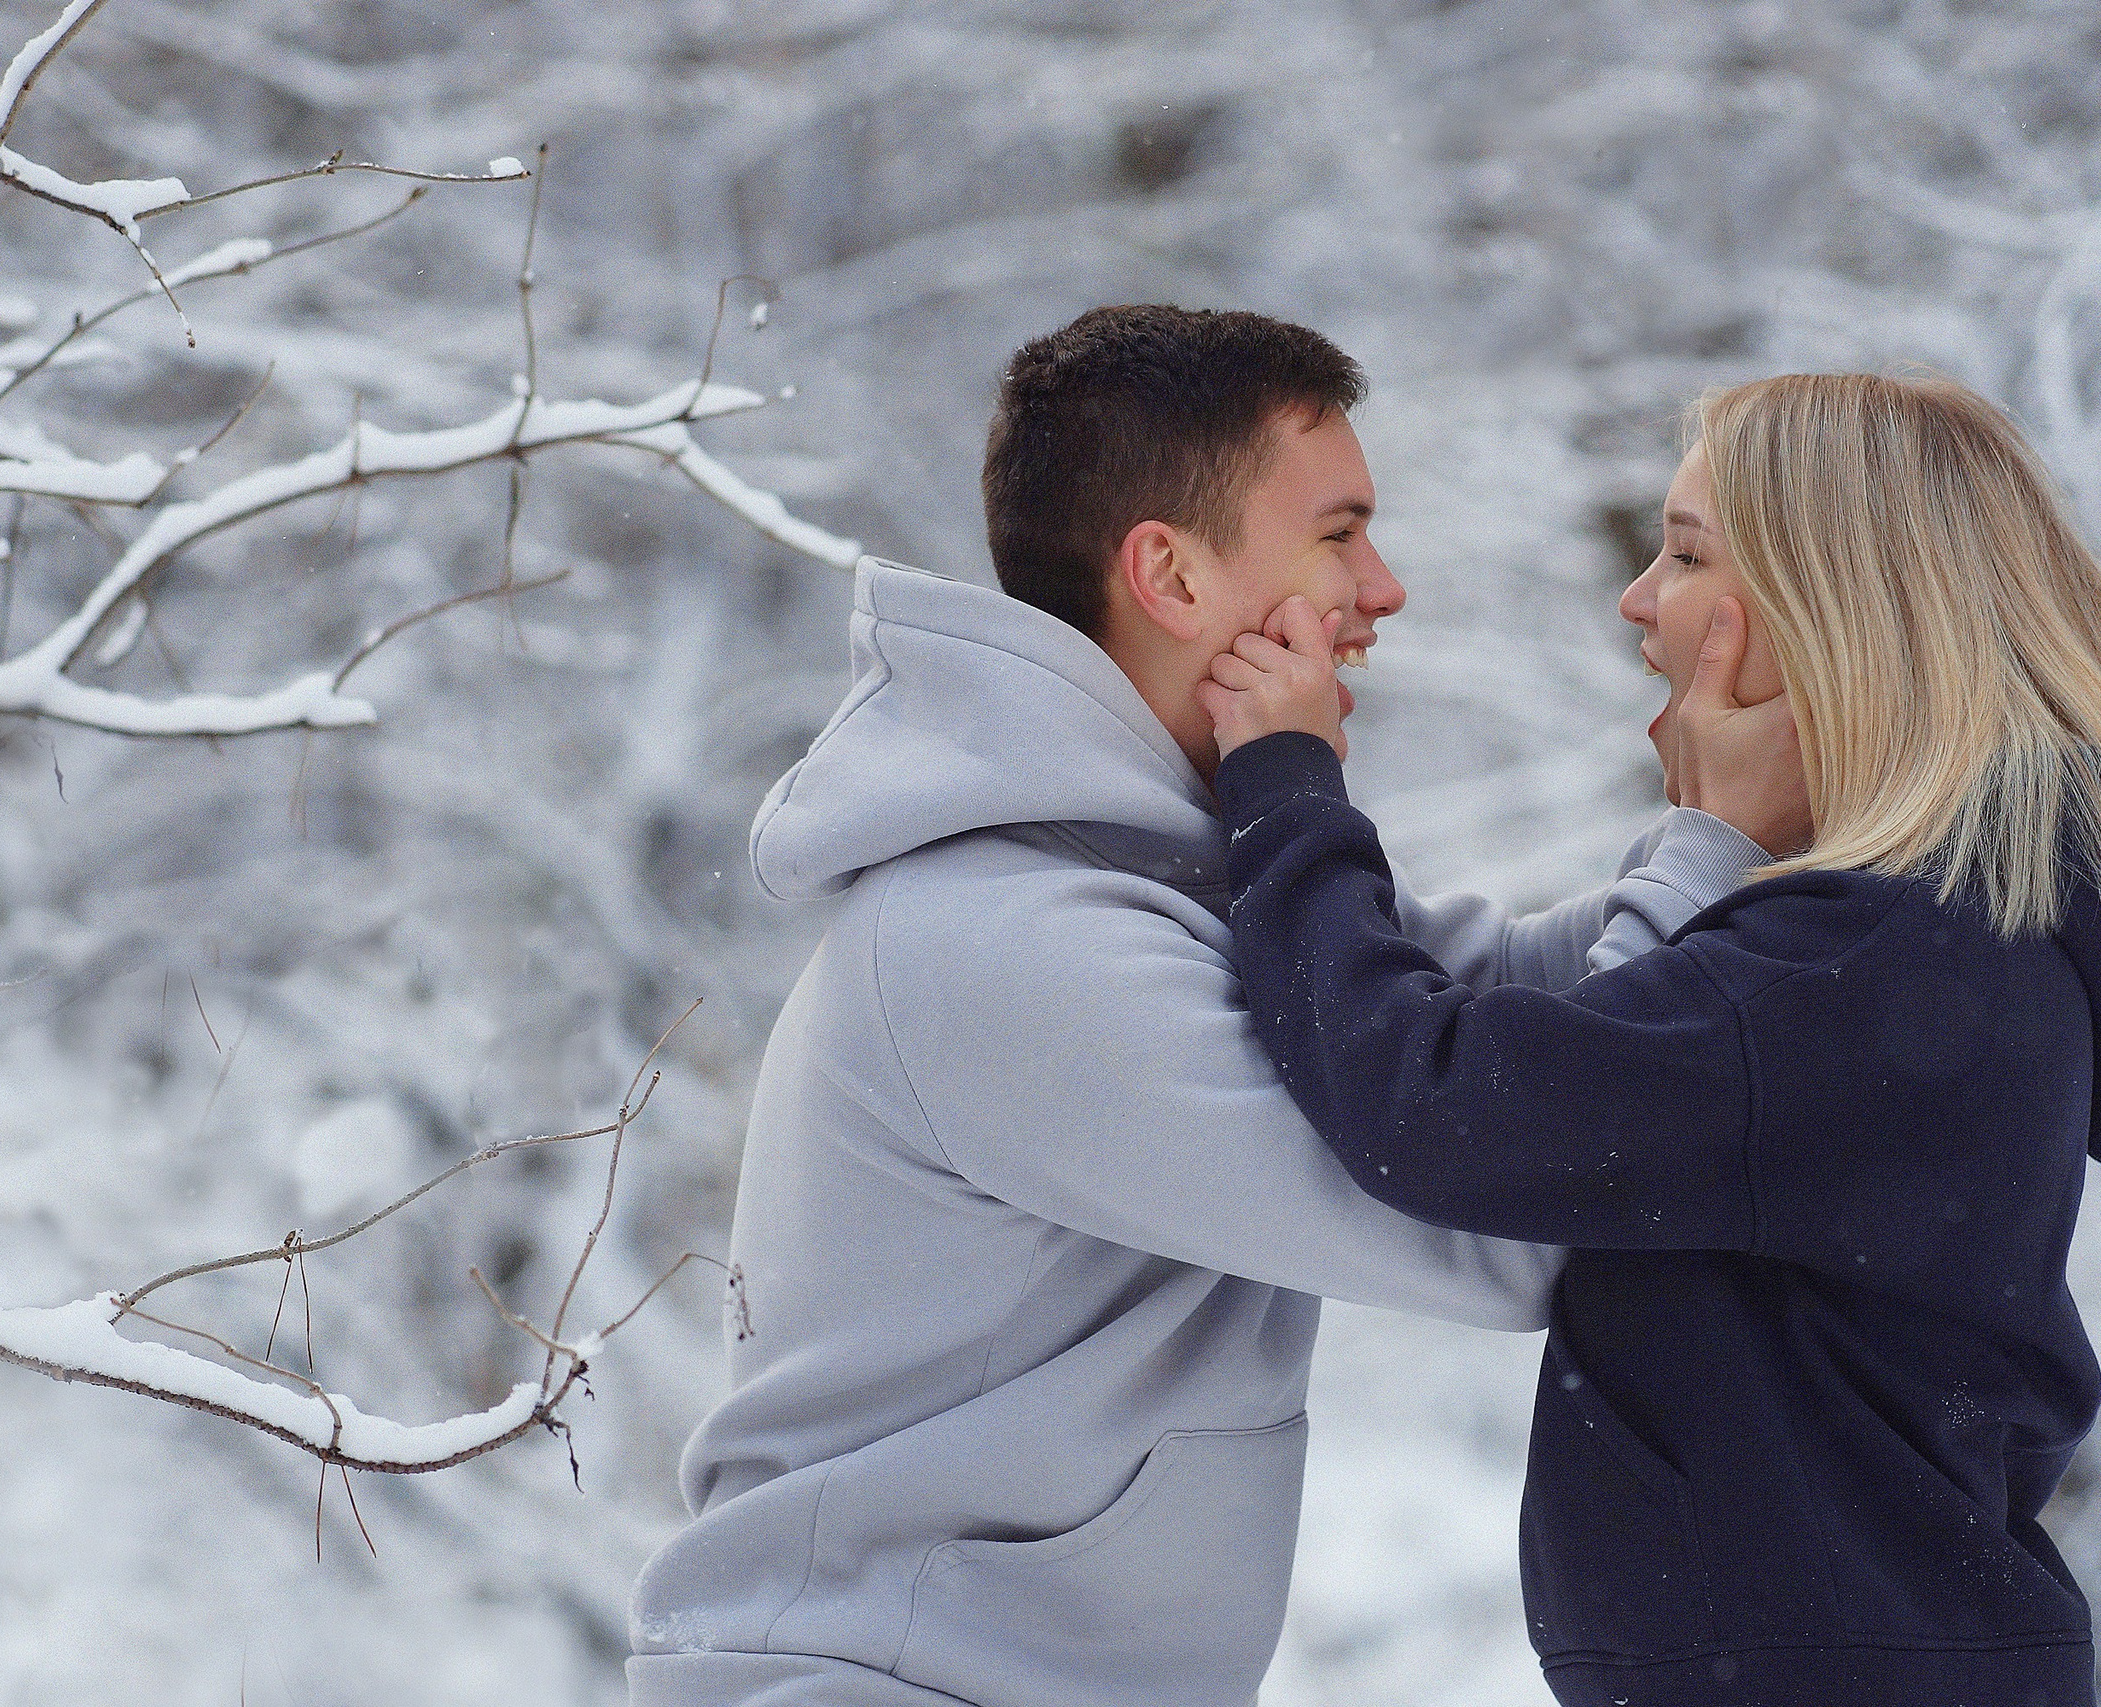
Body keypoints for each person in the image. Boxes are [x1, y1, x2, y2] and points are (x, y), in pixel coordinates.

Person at [626, 306, 1810, 1706]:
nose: (1386, 588)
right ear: (1172, 576)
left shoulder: (1158, 891)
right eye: (1338, 534)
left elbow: (1500, 1007)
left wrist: (1799, 864)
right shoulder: (1008, 948)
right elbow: (1510, 1207)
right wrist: (1713, 846)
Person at [1201, 371, 2101, 1707]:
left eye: (1683, 556)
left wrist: (1282, 791)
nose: (1634, 599)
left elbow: (1433, 1102)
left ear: (1831, 611)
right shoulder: (1953, 937)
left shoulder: (1853, 968)